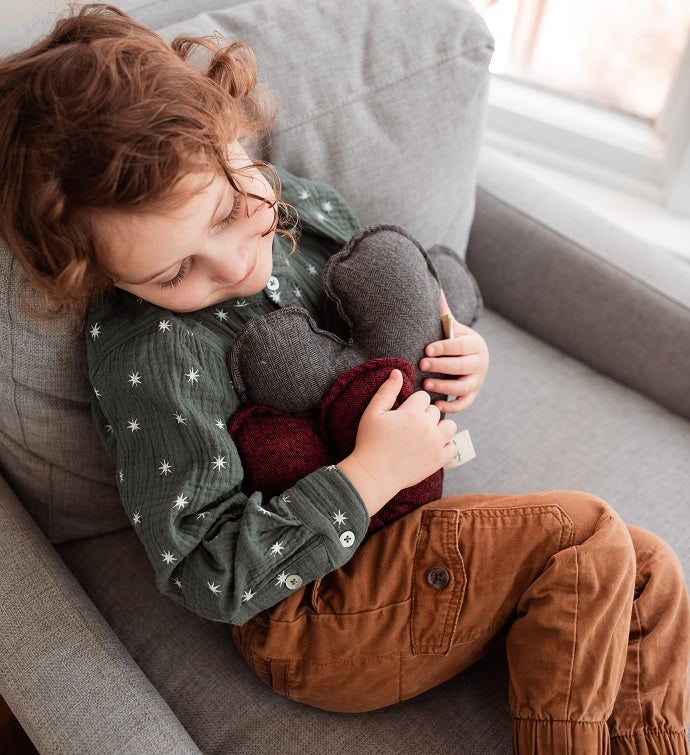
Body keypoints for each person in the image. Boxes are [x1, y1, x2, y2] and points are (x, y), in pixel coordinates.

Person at [1, 5, 688, 753]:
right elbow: (207, 570)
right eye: (173, 272)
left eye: (232, 208)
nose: (232, 264)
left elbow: (392, 314)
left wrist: (458, 357)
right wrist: (365, 475)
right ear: (105, 275)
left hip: (406, 537)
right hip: (313, 611)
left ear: (235, 134)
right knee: (582, 535)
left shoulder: (302, 206)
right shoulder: (152, 354)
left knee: (644, 571)